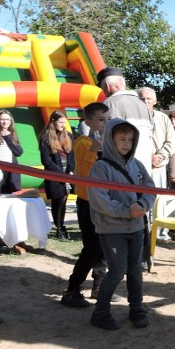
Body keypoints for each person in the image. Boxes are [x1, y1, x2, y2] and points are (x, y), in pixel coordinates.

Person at [87, 119, 155, 330]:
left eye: (130, 139)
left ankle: (136, 308)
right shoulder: (100, 168)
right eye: (121, 139)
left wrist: (143, 204)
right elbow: (100, 200)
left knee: (135, 270)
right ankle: (100, 312)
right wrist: (127, 212)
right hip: (111, 229)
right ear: (110, 140)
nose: (126, 143)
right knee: (117, 270)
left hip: (136, 228)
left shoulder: (137, 165)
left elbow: (149, 188)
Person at [60, 102, 109, 308]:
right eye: (100, 120)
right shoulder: (82, 142)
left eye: (107, 119)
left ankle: (99, 287)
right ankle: (72, 289)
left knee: (103, 248)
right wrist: (97, 147)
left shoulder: (108, 143)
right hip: (88, 202)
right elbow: (87, 163)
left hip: (103, 202)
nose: (105, 123)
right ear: (87, 121)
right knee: (91, 248)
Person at [97, 67, 153, 174]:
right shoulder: (143, 105)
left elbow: (102, 140)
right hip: (144, 168)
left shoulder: (107, 105)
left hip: (121, 170)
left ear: (107, 86)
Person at [39, 110, 74, 240]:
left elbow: (72, 156)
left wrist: (70, 170)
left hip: (67, 172)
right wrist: (59, 174)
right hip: (54, 173)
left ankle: (62, 225)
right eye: (60, 122)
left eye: (64, 122)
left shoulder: (69, 135)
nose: (62, 125)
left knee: (64, 199)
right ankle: (58, 227)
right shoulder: (45, 137)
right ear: (53, 121)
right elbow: (46, 160)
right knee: (57, 200)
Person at [137, 87, 175, 191]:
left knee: (159, 201)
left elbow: (171, 141)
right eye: (142, 99)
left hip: (158, 168)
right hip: (138, 168)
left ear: (154, 101)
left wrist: (159, 156)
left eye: (148, 98)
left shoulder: (163, 118)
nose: (146, 101)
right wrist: (146, 157)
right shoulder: (133, 118)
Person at [0, 109, 24, 194]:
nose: (5, 122)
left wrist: (8, 137)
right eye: (2, 119)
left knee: (10, 194)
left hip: (11, 170)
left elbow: (19, 152)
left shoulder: (12, 135)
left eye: (8, 119)